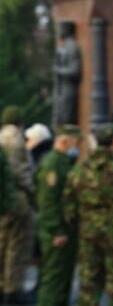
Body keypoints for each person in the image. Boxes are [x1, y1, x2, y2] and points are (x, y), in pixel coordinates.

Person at [63, 124, 113, 305]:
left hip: (88, 233)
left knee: (89, 282)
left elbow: (69, 205)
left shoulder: (79, 169)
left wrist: (78, 225)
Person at [35, 125, 82, 306]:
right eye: (76, 142)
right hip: (56, 230)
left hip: (67, 228)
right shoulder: (53, 164)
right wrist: (56, 230)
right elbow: (48, 201)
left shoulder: (65, 162)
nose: (77, 146)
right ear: (65, 141)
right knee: (53, 279)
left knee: (64, 278)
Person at [0, 106, 36, 304]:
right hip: (17, 201)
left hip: (4, 202)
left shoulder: (1, 138)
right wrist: (33, 193)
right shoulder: (16, 140)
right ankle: (12, 292)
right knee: (17, 249)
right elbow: (21, 173)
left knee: (3, 246)